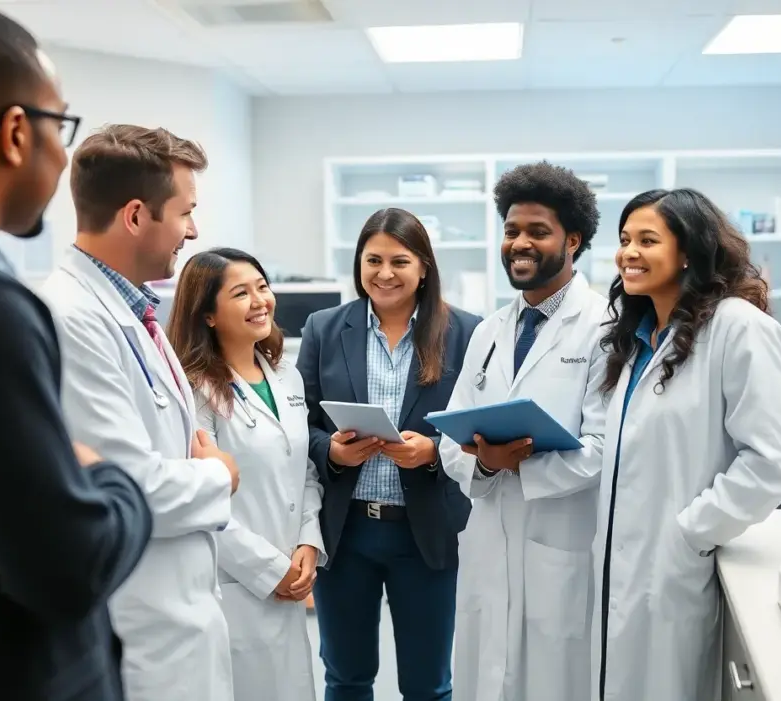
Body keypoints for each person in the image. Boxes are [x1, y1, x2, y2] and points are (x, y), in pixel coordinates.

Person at [0, 2, 153, 700]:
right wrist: (110, 481)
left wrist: (22, 508)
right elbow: (66, 566)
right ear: (15, 132)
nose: (63, 153)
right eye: (59, 124)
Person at [41, 125, 240, 701]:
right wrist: (218, 474)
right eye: (185, 212)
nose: (194, 232)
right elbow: (127, 485)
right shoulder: (72, 318)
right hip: (139, 632)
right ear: (135, 216)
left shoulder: (135, 311)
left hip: (175, 620)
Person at [591, 188, 781, 701]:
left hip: (674, 567)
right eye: (624, 240)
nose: (628, 253)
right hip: (621, 568)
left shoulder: (738, 328)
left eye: (647, 240)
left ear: (688, 251)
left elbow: (772, 460)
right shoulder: (638, 336)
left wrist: (692, 531)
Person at [440, 161, 608, 701]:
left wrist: (523, 464)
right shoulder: (489, 331)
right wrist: (487, 462)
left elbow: (606, 448)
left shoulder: (605, 327)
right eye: (512, 230)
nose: (520, 243)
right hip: (492, 536)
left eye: (538, 231)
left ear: (573, 240)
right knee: (485, 676)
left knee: (552, 681)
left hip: (560, 538)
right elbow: (450, 438)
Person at [296, 207, 479, 701]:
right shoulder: (324, 328)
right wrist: (332, 452)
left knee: (427, 684)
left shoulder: (467, 332)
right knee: (346, 677)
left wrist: (435, 452)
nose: (384, 273)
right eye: (372, 260)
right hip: (347, 531)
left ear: (423, 267)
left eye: (399, 261)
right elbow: (300, 424)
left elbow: (479, 428)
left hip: (426, 532)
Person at [166, 248, 325, 701]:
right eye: (241, 293)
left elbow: (305, 471)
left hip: (291, 572)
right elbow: (202, 497)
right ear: (209, 315)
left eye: (262, 287)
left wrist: (309, 544)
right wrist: (270, 569)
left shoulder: (285, 376)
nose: (261, 301)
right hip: (233, 582)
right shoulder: (194, 390)